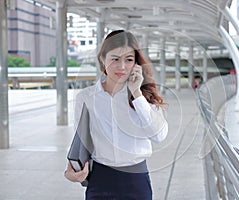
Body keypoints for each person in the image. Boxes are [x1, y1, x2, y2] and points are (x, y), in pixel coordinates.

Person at [64, 30, 168, 200]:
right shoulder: (86, 97)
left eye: (128, 60)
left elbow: (159, 135)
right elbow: (82, 142)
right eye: (115, 59)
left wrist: (137, 94)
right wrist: (71, 171)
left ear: (136, 64)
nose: (121, 67)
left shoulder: (144, 96)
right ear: (102, 59)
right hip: (100, 180)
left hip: (136, 181)